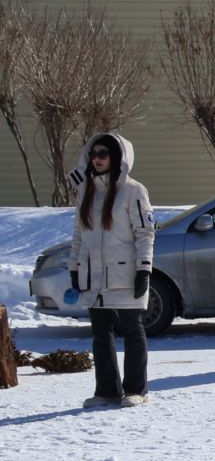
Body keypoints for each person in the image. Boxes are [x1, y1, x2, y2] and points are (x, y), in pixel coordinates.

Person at [70, 132, 154, 408]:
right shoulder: (86, 190)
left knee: (132, 329)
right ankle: (106, 391)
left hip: (124, 273)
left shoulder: (134, 190)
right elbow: (79, 235)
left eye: (103, 154)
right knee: (100, 332)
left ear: (117, 157)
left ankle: (136, 390)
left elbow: (145, 233)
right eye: (93, 154)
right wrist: (75, 267)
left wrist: (143, 269)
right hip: (93, 275)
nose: (97, 159)